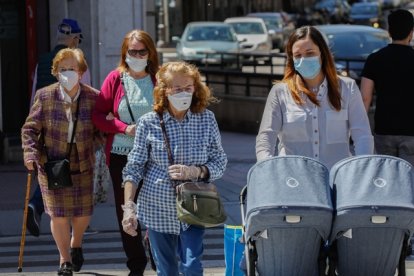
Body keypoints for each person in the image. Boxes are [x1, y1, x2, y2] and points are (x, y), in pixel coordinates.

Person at [121, 61, 227, 276]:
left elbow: (220, 161)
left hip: (195, 207)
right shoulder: (148, 122)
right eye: (177, 89)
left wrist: (195, 172)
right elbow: (134, 168)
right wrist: (129, 207)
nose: (184, 93)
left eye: (188, 88)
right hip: (157, 208)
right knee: (167, 271)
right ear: (164, 91)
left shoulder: (206, 119)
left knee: (191, 266)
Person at [21, 48, 101, 275]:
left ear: (81, 71)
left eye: (72, 69)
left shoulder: (93, 97)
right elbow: (29, 129)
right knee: (58, 215)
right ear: (56, 72)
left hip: (83, 163)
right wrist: (30, 154)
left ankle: (76, 244)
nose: (67, 73)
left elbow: (100, 130)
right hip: (53, 164)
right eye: (63, 69)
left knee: (83, 213)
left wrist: (101, 144)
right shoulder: (44, 96)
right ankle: (64, 259)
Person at [256, 25, 374, 169]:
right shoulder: (280, 92)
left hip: (336, 180)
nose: (304, 59)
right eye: (298, 55)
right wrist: (267, 170)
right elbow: (265, 138)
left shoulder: (347, 88)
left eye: (310, 53)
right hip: (294, 180)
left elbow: (362, 136)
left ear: (322, 54)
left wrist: (362, 170)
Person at [92, 29, 159, 276]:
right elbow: (98, 115)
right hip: (122, 154)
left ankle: (158, 256)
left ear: (150, 53)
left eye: (142, 51)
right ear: (125, 53)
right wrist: (123, 127)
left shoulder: (159, 79)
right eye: (133, 51)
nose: (138, 55)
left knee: (155, 208)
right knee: (127, 210)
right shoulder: (115, 79)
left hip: (155, 155)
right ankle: (136, 264)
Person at [27, 18, 91, 238]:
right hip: (71, 133)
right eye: (78, 38)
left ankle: (39, 207)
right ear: (74, 38)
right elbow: (87, 99)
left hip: (47, 130)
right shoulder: (79, 64)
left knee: (54, 172)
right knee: (67, 176)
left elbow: (34, 96)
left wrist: (35, 130)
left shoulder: (42, 62)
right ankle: (71, 224)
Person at [360, 9, 414, 166]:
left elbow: (365, 97)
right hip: (412, 131)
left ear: (389, 31)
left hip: (384, 129)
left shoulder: (374, 59)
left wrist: (359, 129)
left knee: (387, 179)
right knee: (410, 181)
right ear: (411, 32)